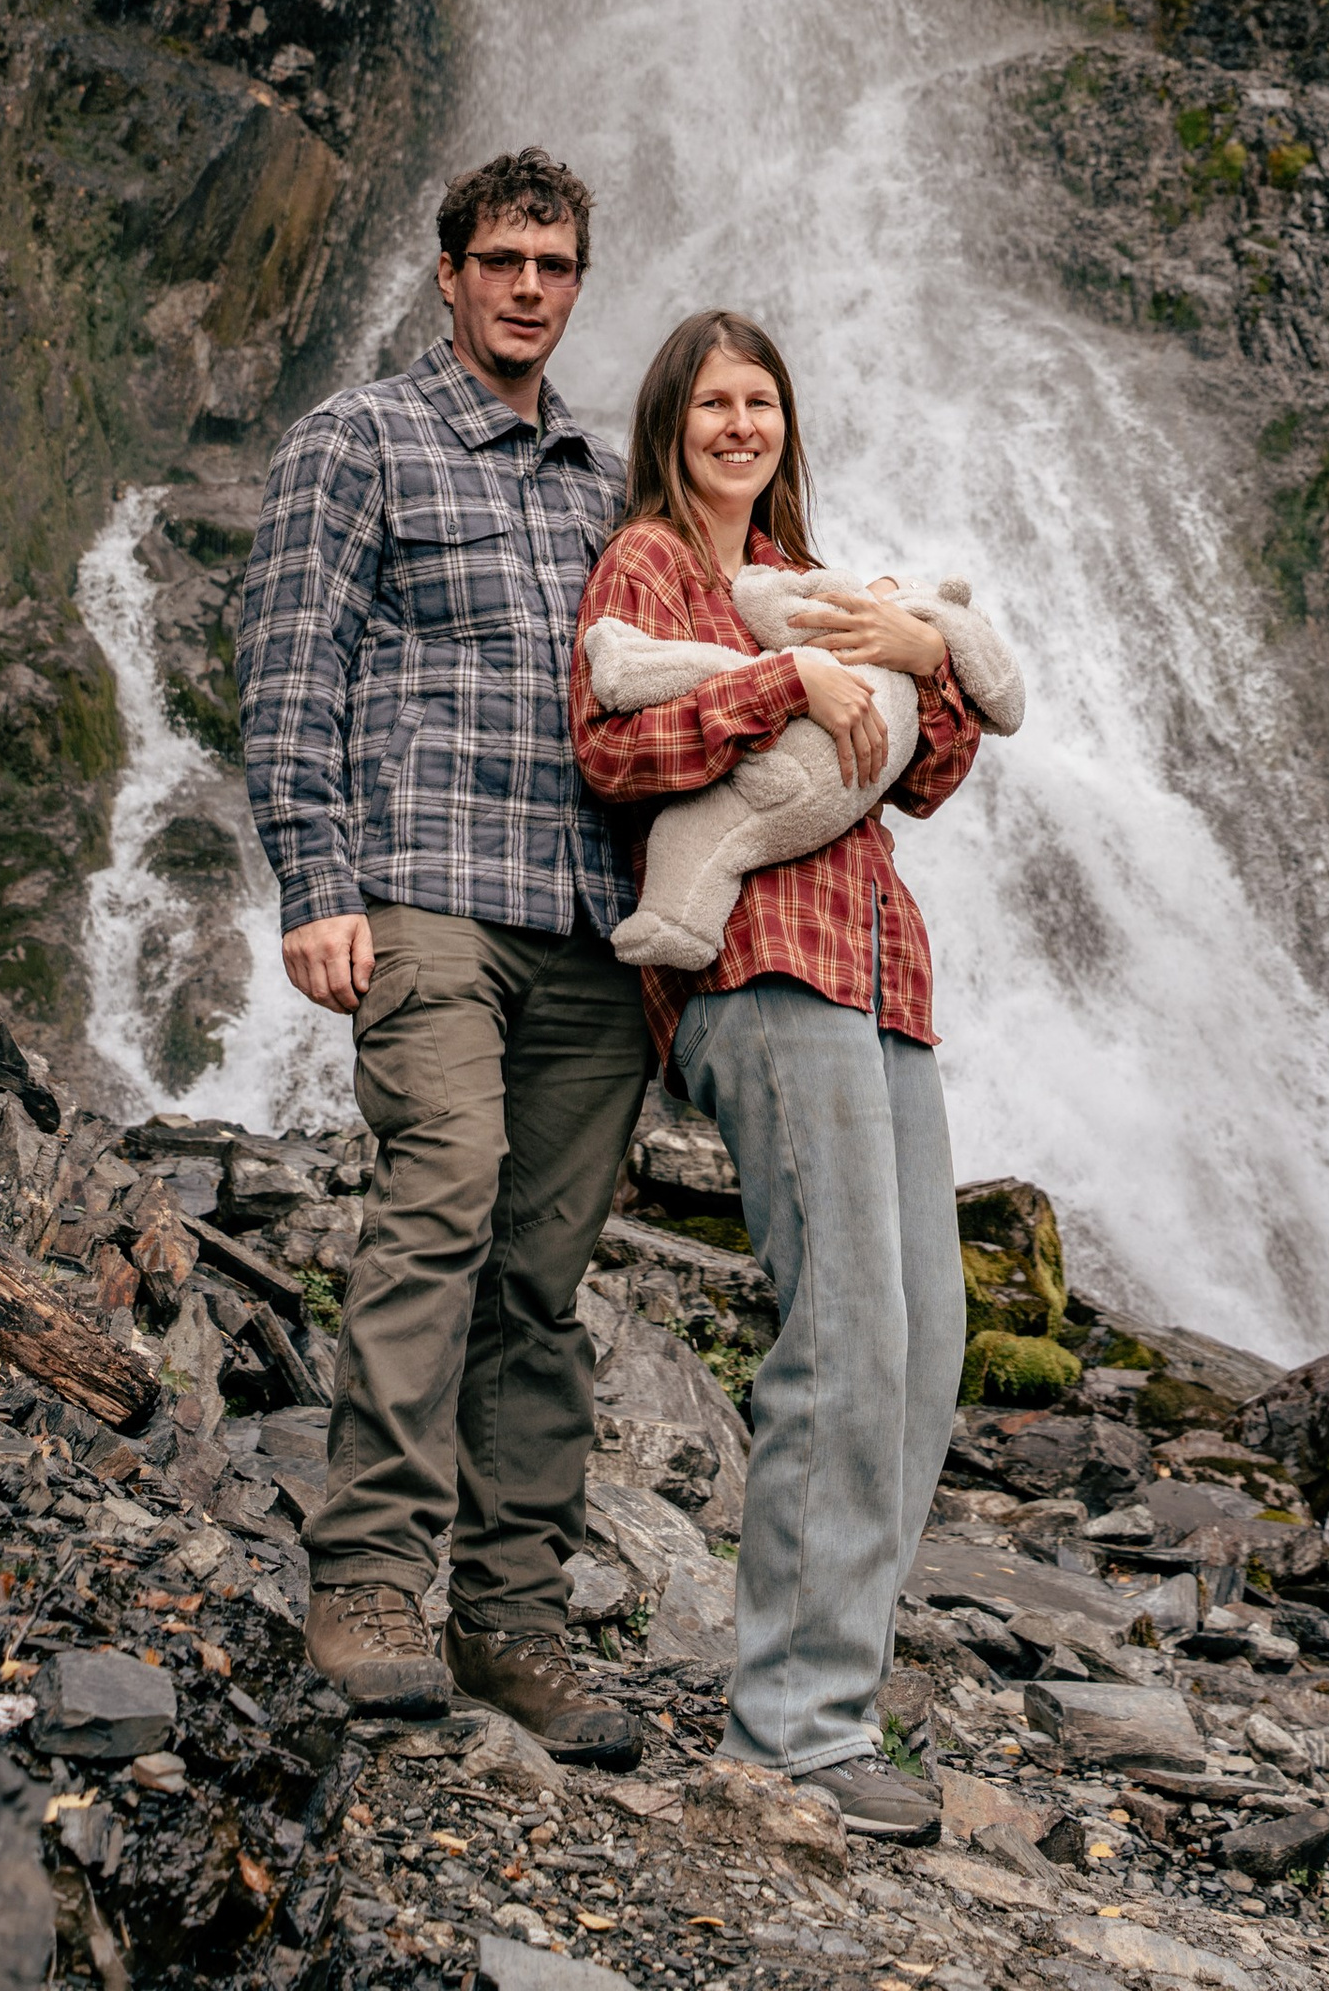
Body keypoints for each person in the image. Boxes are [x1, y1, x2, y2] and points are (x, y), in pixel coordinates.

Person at [239, 147, 649, 1760]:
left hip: (592, 935)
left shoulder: (613, 485)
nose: (528, 285)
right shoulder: (361, 442)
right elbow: (287, 666)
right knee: (440, 1203)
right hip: (423, 897)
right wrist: (313, 885)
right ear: (450, 273)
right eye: (503, 259)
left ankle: (514, 1621)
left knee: (541, 1286)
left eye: (554, 262)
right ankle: (365, 1584)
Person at [569, 309, 978, 1843]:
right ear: (673, 418)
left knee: (926, 1337)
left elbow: (929, 768)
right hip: (756, 966)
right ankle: (792, 1727)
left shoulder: (814, 577)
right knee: (848, 1329)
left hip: (883, 974)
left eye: (764, 403)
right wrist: (782, 686)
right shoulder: (649, 570)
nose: (741, 425)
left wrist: (919, 651)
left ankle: (835, 1691)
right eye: (715, 402)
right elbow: (612, 751)